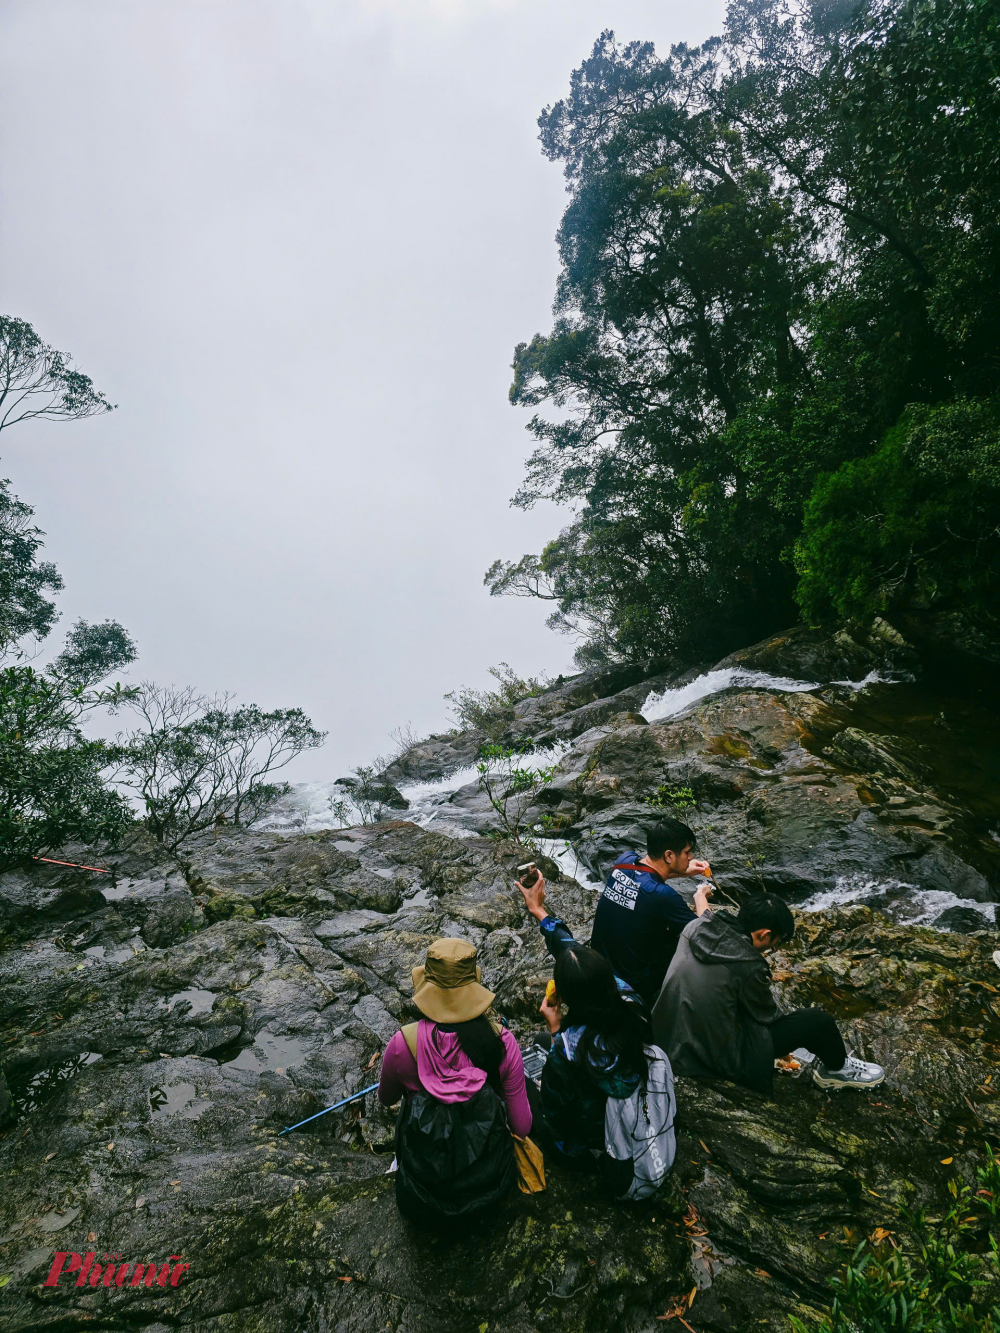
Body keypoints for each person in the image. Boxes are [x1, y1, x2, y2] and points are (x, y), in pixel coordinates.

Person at [651, 893, 885, 1094]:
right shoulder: (747, 963)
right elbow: (767, 1016)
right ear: (764, 934)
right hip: (707, 1056)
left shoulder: (695, 927)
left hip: (666, 1036)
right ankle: (836, 1070)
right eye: (775, 943)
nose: (772, 949)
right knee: (817, 1022)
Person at [377, 937, 531, 1225]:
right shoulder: (503, 1043)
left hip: (424, 1188)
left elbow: (385, 1099)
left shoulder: (402, 1044)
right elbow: (521, 1126)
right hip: (489, 1184)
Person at [528, 942, 676, 1199]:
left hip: (593, 1147)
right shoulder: (634, 1005)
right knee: (542, 1041)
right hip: (626, 1108)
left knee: (528, 1088)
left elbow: (556, 1116)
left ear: (566, 998)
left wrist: (556, 1028)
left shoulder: (565, 1053)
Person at [589, 820, 715, 1006]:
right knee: (683, 939)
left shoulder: (623, 861)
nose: (691, 857)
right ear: (669, 856)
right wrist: (700, 895)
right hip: (636, 983)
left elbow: (647, 872)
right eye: (687, 853)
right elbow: (706, 933)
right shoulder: (662, 896)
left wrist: (683, 872)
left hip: (600, 965)